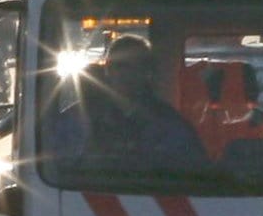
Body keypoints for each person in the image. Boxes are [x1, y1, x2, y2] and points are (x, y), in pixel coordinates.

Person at [78, 34, 209, 171]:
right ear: (108, 69)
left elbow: (195, 173)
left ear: (148, 72)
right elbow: (62, 164)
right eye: (121, 66)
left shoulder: (170, 125)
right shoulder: (82, 117)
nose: (128, 74)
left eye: (138, 66)